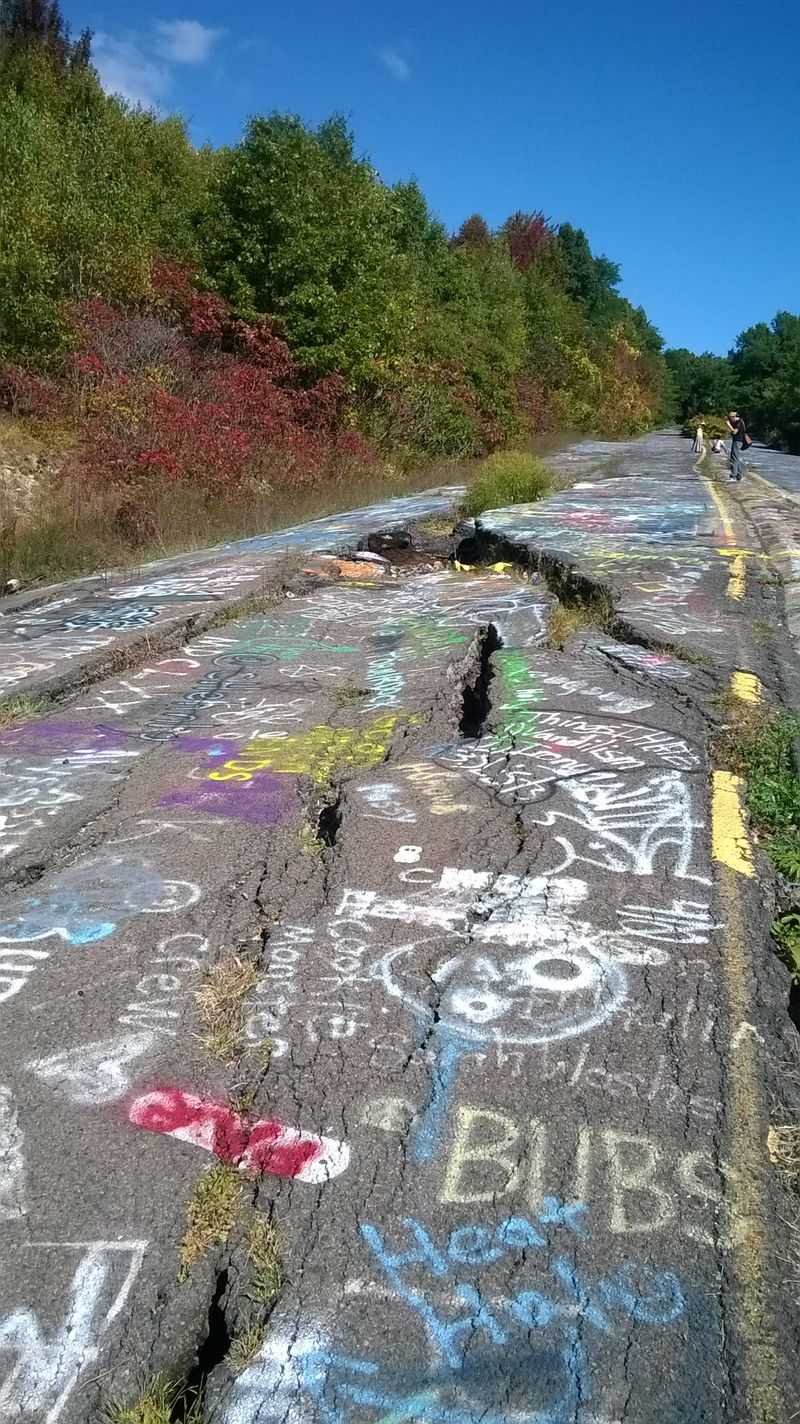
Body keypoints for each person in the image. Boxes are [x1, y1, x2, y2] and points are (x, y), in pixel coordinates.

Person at [726, 409, 747, 482]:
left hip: (738, 441)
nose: (730, 419)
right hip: (737, 441)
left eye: (730, 418)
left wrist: (729, 425)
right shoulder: (739, 422)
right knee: (736, 458)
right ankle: (739, 475)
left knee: (734, 458)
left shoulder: (739, 422)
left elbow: (735, 432)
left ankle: (733, 476)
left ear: (733, 417)